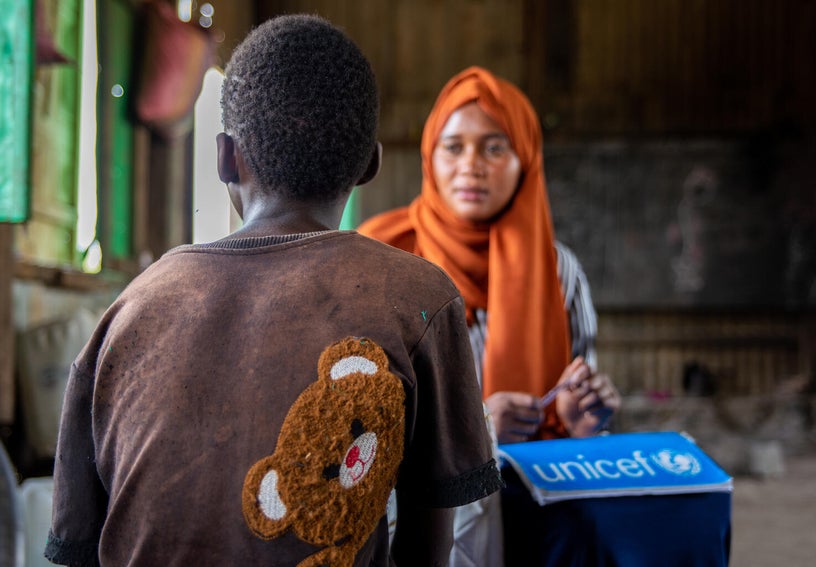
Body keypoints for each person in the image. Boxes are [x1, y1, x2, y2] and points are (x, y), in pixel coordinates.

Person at [44, 17, 503, 567]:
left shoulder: (129, 312)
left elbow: (75, 550)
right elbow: (427, 548)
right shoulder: (416, 298)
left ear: (223, 157)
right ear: (370, 164)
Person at [358, 66, 621, 566]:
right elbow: (355, 410)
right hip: (410, 520)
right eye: (453, 147)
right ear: (429, 156)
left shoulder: (559, 269)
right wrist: (476, 430)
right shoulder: (383, 255)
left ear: (526, 159)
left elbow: (570, 390)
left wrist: (575, 421)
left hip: (530, 505)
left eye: (495, 147)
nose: (471, 165)